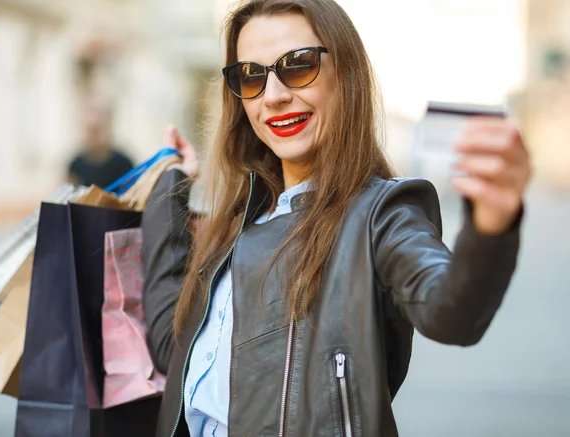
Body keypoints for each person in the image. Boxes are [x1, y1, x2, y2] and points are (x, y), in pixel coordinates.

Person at [141, 1, 532, 436]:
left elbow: (452, 312)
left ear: (345, 74)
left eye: (297, 65)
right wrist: (168, 186)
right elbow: (171, 348)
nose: (273, 96)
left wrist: (492, 223)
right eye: (250, 75)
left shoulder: (381, 213)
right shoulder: (233, 226)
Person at [67, 97, 134, 188]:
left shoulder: (123, 164)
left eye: (97, 131)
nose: (93, 136)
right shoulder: (75, 164)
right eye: (90, 131)